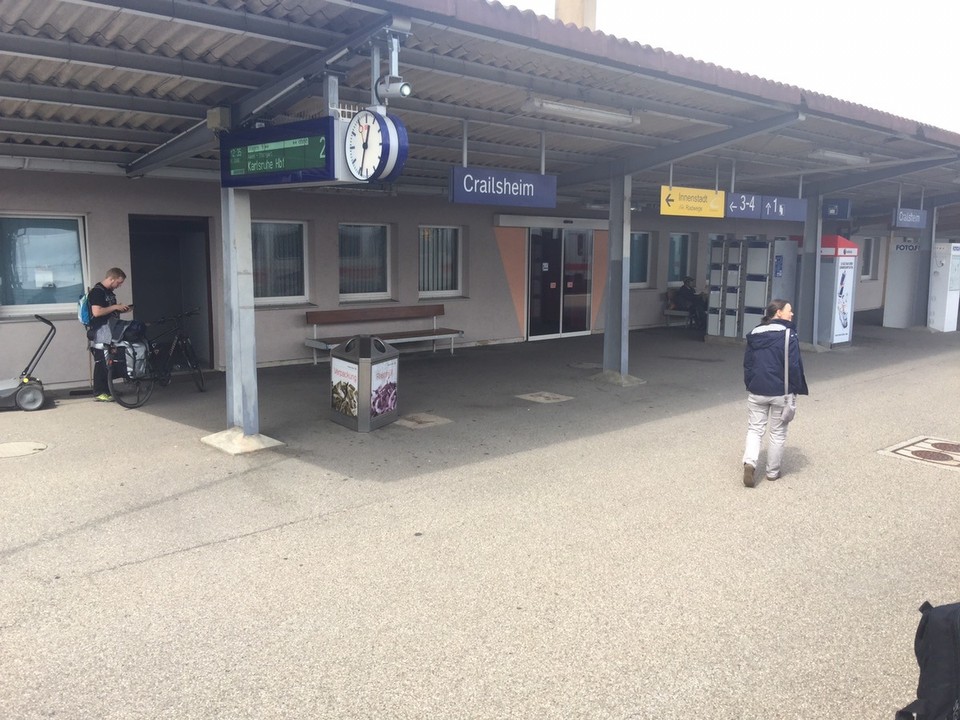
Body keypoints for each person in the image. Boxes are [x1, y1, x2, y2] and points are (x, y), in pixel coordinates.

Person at [741, 298, 808, 487]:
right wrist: (795, 390)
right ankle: (772, 472)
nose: (792, 314)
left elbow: (748, 364)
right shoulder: (788, 335)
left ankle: (750, 462)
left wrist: (751, 383)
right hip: (781, 391)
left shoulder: (754, 333)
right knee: (778, 433)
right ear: (778, 312)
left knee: (755, 429)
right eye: (789, 310)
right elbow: (794, 366)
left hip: (757, 390)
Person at [86, 267, 132, 402]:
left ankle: (108, 388)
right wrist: (115, 307)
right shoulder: (97, 292)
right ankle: (99, 392)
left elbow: (109, 310)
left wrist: (121, 309)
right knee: (101, 359)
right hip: (100, 330)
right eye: (119, 282)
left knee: (110, 359)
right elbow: (97, 312)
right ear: (111, 278)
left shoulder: (109, 292)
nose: (120, 285)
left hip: (111, 328)